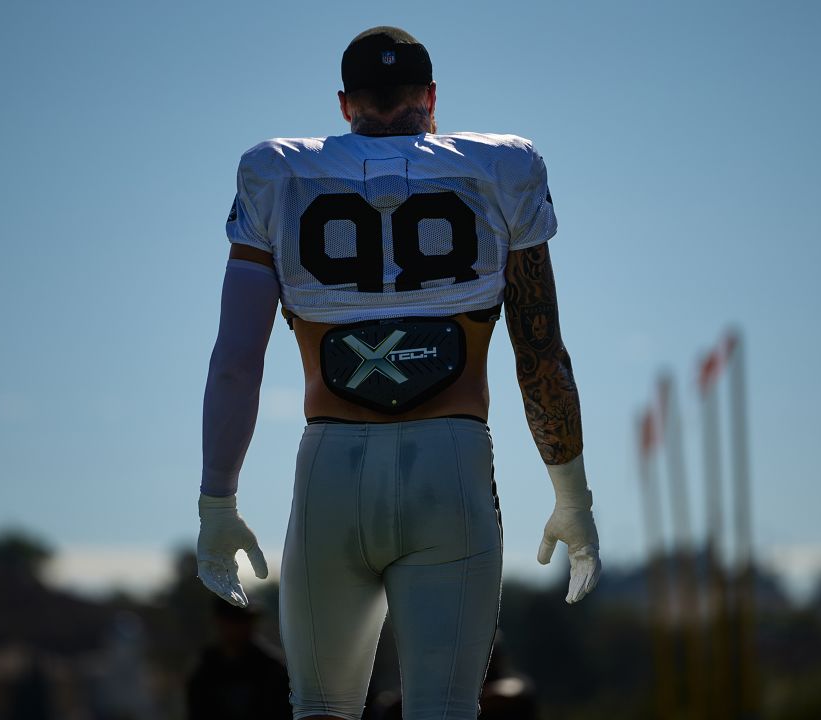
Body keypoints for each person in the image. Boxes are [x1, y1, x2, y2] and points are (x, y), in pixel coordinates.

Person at [196, 26, 603, 720]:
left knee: (321, 707)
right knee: (444, 709)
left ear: (345, 103)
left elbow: (237, 363)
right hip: (450, 464)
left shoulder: (278, 173)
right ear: (432, 98)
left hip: (332, 466)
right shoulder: (503, 168)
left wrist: (216, 502)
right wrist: (572, 494)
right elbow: (540, 354)